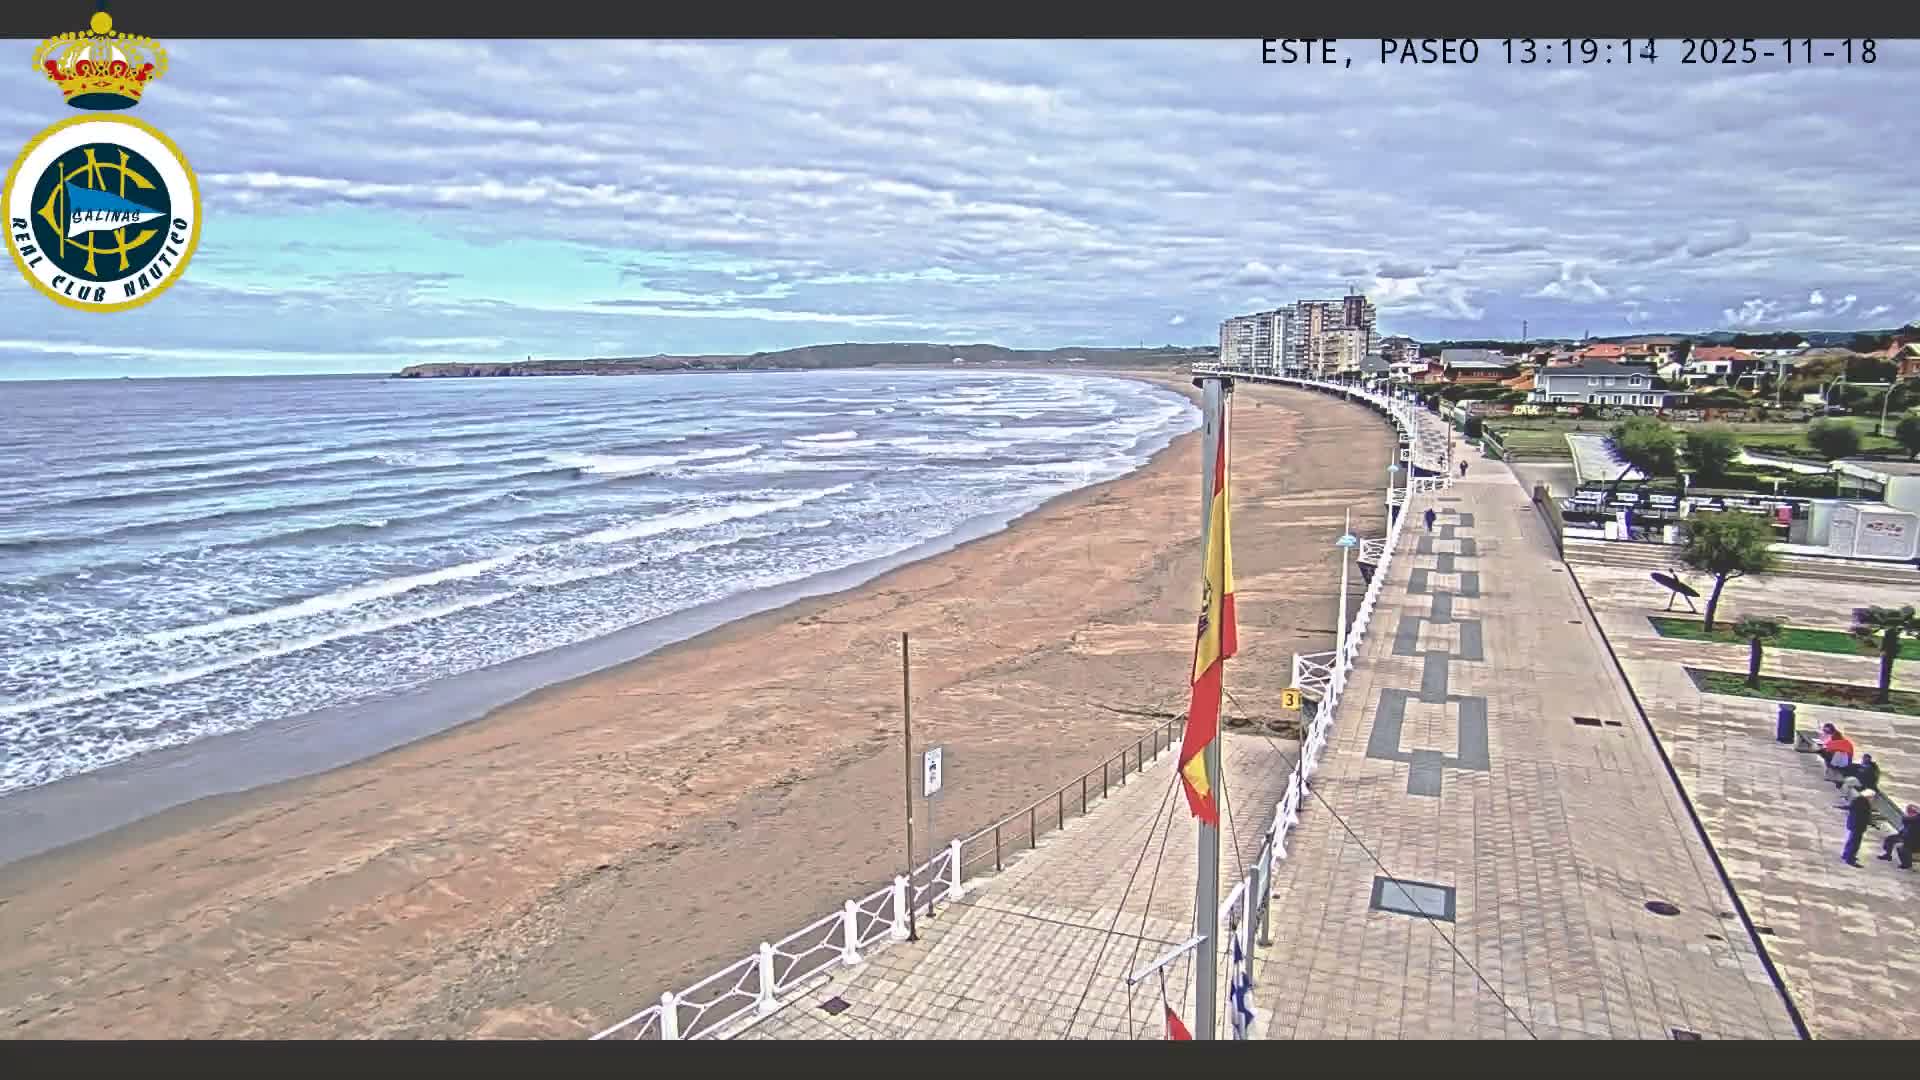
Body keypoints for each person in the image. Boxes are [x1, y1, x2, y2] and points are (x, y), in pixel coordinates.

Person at [1878, 804, 1919, 870]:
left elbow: (1905, 819)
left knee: (1901, 847)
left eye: (1909, 811)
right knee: (1889, 839)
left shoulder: (1916, 818)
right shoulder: (1912, 818)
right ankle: (1888, 855)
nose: (1907, 813)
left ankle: (1906, 864)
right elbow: (1905, 823)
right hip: (1904, 836)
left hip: (1913, 841)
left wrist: (1907, 816)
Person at [1842, 789, 1876, 867]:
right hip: (1858, 826)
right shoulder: (1864, 803)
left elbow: (1851, 808)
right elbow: (1865, 816)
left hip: (1853, 824)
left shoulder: (1857, 800)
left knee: (1851, 840)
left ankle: (1846, 854)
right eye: (1872, 797)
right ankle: (1850, 859)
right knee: (1855, 843)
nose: (1872, 799)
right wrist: (1871, 823)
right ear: (1868, 796)